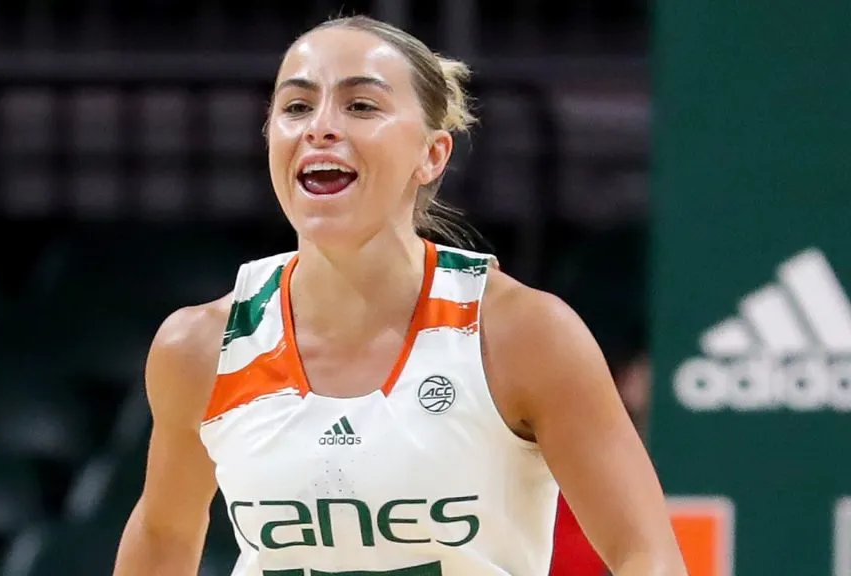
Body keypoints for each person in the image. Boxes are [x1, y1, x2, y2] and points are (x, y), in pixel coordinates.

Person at [113, 15, 686, 576]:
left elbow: (646, 555)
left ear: (432, 154)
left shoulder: (522, 333)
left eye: (361, 105)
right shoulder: (201, 345)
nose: (320, 127)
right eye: (295, 106)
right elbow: (164, 535)